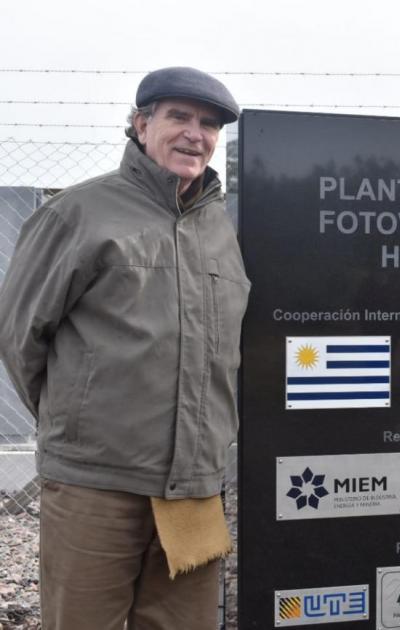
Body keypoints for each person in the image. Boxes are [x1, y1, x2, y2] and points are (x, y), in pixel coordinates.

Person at [0, 67, 250, 629]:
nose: (195, 133)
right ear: (141, 125)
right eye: (178, 117)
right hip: (97, 485)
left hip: (194, 487)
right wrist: (79, 423)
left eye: (208, 124)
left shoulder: (221, 228)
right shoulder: (79, 213)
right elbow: (20, 337)